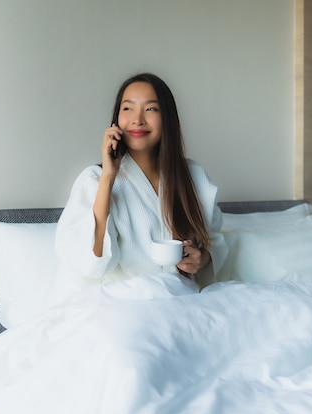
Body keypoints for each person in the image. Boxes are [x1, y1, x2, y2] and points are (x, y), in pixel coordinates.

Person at [55, 73, 227, 291]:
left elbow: (215, 240)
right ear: (117, 118)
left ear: (168, 118)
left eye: (151, 109)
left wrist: (202, 259)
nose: (138, 119)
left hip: (184, 300)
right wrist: (108, 178)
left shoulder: (194, 176)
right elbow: (92, 263)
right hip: (125, 304)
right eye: (128, 108)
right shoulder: (94, 179)